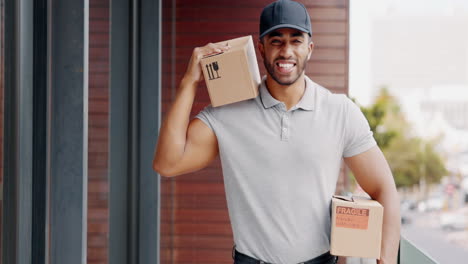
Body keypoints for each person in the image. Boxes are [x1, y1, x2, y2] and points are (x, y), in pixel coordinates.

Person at [153, 0, 400, 263]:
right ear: (261, 48)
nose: (286, 51)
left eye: (296, 40)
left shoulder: (340, 112)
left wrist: (384, 261)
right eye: (276, 41)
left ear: (310, 48)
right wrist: (189, 81)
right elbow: (167, 164)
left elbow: (384, 188)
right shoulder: (228, 113)